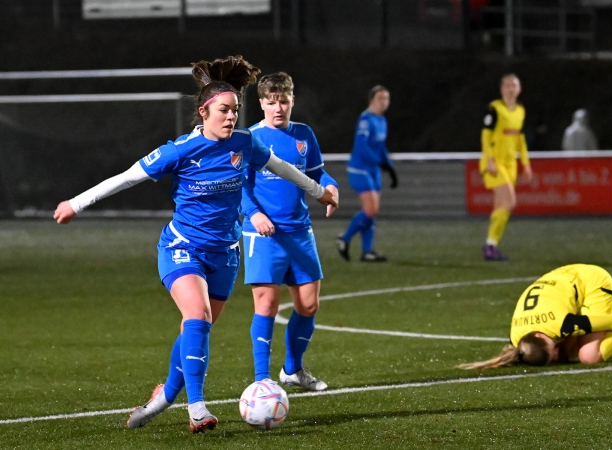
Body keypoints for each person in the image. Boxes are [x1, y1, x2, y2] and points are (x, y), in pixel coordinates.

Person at [53, 56, 337, 433]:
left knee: (196, 327)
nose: (231, 117)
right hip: (182, 247)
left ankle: (166, 395)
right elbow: (126, 178)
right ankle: (197, 408)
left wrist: (319, 192)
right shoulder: (179, 151)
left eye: (235, 110)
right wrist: (75, 204)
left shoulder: (243, 142)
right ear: (204, 111)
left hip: (225, 254)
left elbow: (279, 167)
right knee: (198, 317)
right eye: (224, 110)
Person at [241, 72, 338, 392]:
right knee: (266, 304)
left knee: (308, 304)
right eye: (271, 102)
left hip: (299, 230)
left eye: (283, 101)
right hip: (262, 234)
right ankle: (260, 381)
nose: (278, 108)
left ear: (292, 100)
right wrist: (253, 214)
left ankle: (292, 370)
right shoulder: (249, 138)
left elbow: (317, 173)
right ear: (261, 104)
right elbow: (236, 184)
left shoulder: (304, 135)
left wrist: (331, 186)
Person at [458, 264, 612, 369]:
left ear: (540, 337)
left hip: (593, 282)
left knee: (588, 357)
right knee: (568, 354)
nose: (556, 352)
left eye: (553, 348)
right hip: (563, 281)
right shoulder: (518, 339)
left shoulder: (562, 324)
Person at [335, 85, 397, 263]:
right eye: (380, 98)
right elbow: (362, 147)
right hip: (360, 169)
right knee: (371, 209)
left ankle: (367, 251)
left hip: (373, 170)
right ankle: (344, 238)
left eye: (387, 99)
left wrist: (390, 167)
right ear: (371, 100)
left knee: (371, 212)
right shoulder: (366, 120)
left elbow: (381, 147)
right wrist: (380, 162)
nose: (384, 102)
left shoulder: (382, 120)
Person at [479, 74, 532, 261]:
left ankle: (491, 245)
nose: (510, 89)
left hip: (511, 165)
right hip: (495, 163)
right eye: (507, 85)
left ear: (519, 89)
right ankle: (489, 245)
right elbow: (485, 136)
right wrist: (490, 159)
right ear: (502, 89)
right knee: (510, 202)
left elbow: (520, 139)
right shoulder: (494, 109)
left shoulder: (520, 111)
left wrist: (525, 163)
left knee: (500, 206)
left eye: (514, 85)